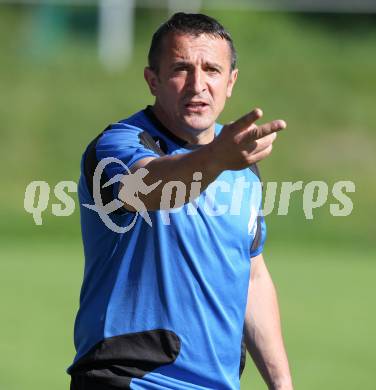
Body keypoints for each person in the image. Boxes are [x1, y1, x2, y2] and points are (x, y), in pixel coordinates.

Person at [68, 12, 293, 390]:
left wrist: (282, 384)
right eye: (180, 69)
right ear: (152, 80)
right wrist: (217, 160)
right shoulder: (117, 147)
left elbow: (252, 274)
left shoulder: (239, 161)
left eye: (212, 69)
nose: (197, 85)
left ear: (231, 81)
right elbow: (156, 185)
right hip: (129, 379)